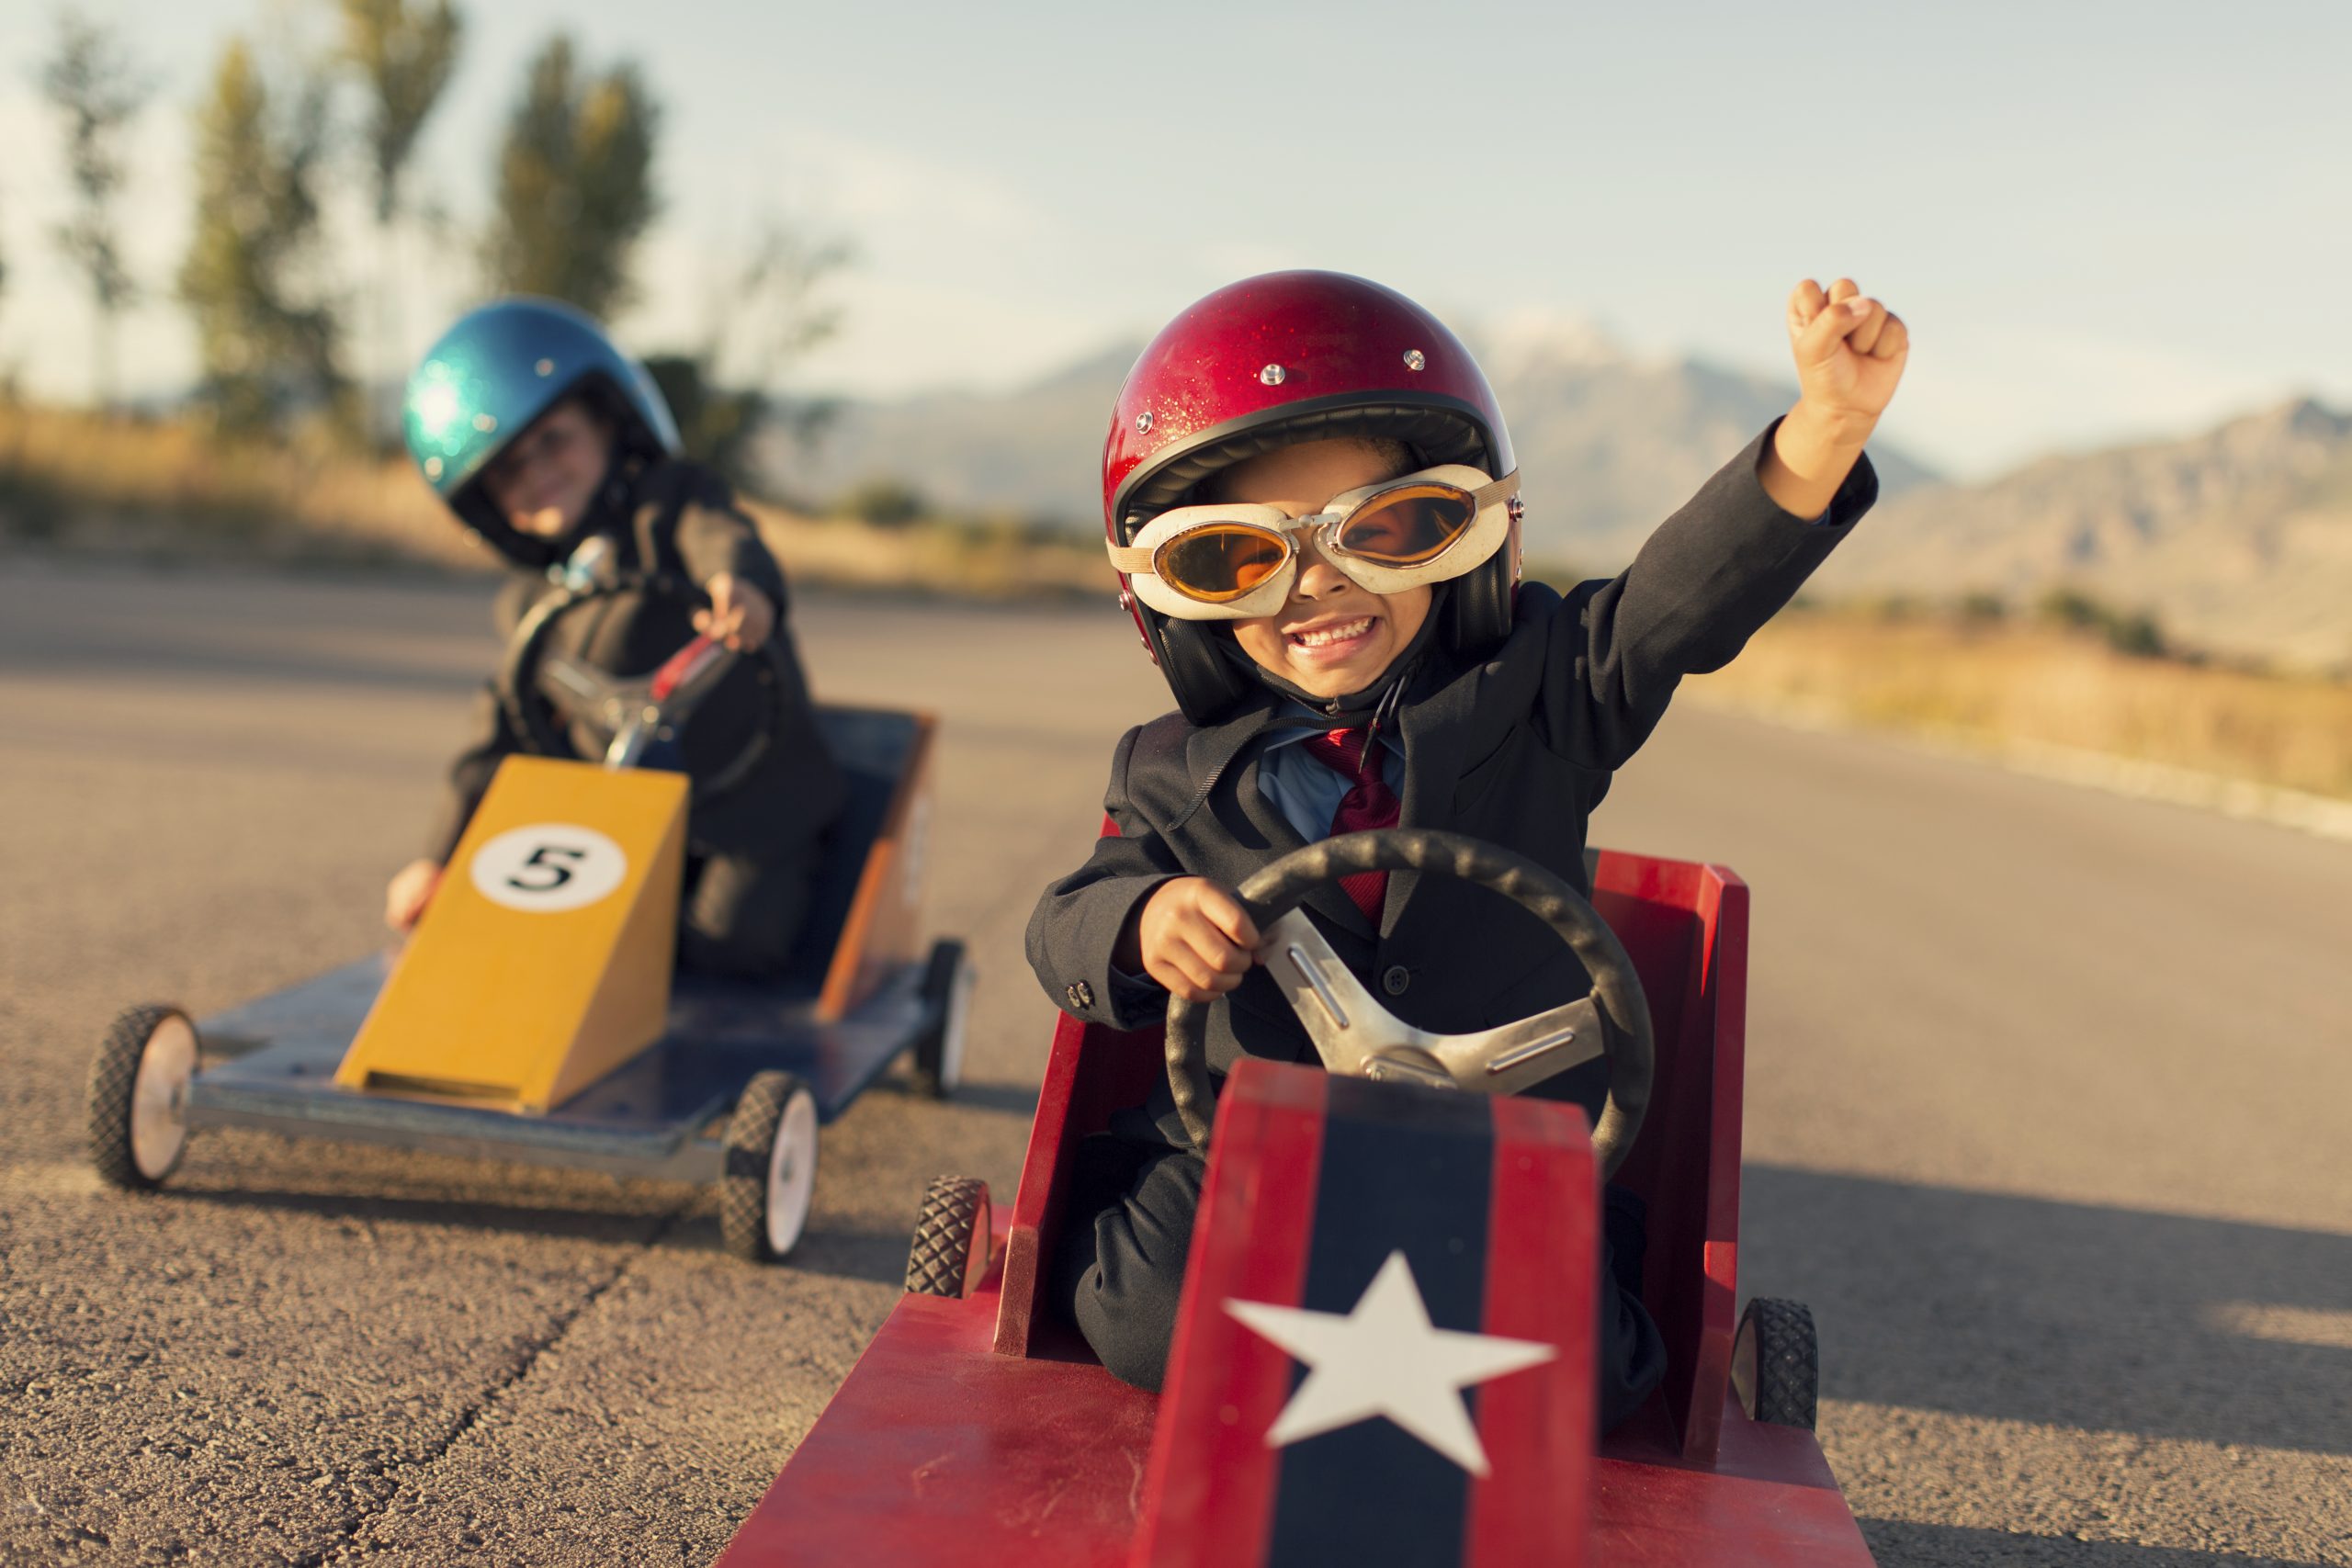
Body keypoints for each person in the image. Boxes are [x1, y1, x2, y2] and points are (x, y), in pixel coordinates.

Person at [1026, 270, 1907, 1429]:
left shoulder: (1539, 693)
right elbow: (1067, 920)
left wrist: (1823, 433)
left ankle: (1492, 1344)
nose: (1321, 584)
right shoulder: (1164, 769)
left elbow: (1670, 608)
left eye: (1384, 530)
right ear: (1169, 597)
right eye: (1240, 559)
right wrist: (1143, 925)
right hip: (1243, 1165)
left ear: (1470, 530)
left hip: (1497, 1173)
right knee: (1141, 1317)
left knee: (1579, 1387)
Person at [384, 297, 844, 977]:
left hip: (745, 807)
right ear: (488, 503)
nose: (538, 470)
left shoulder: (674, 505)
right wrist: (438, 855)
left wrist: (738, 584)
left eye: (554, 440)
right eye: (509, 469)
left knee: (732, 940)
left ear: (607, 420)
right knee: (527, 929)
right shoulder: (532, 609)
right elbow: (496, 733)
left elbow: (721, 533)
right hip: (607, 824)